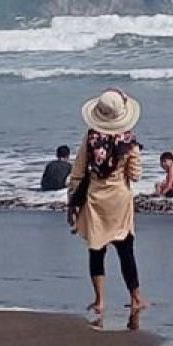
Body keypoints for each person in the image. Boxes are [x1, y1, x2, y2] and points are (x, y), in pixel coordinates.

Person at [67, 88, 146, 316]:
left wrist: (72, 200)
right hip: (119, 199)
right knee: (126, 250)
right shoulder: (129, 142)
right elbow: (136, 174)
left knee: (96, 251)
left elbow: (78, 170)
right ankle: (136, 298)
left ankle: (100, 300)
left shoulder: (90, 138)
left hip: (95, 199)